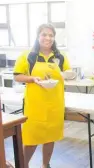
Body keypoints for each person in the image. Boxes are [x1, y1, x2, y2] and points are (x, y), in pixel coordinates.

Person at [13, 23, 72, 168]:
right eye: (44, 34)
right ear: (38, 36)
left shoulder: (60, 56)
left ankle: (45, 165)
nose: (48, 38)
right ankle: (23, 165)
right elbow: (17, 76)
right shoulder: (28, 55)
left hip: (55, 104)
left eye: (51, 35)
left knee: (50, 138)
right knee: (31, 139)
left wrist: (67, 74)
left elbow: (68, 72)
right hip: (35, 105)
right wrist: (32, 79)